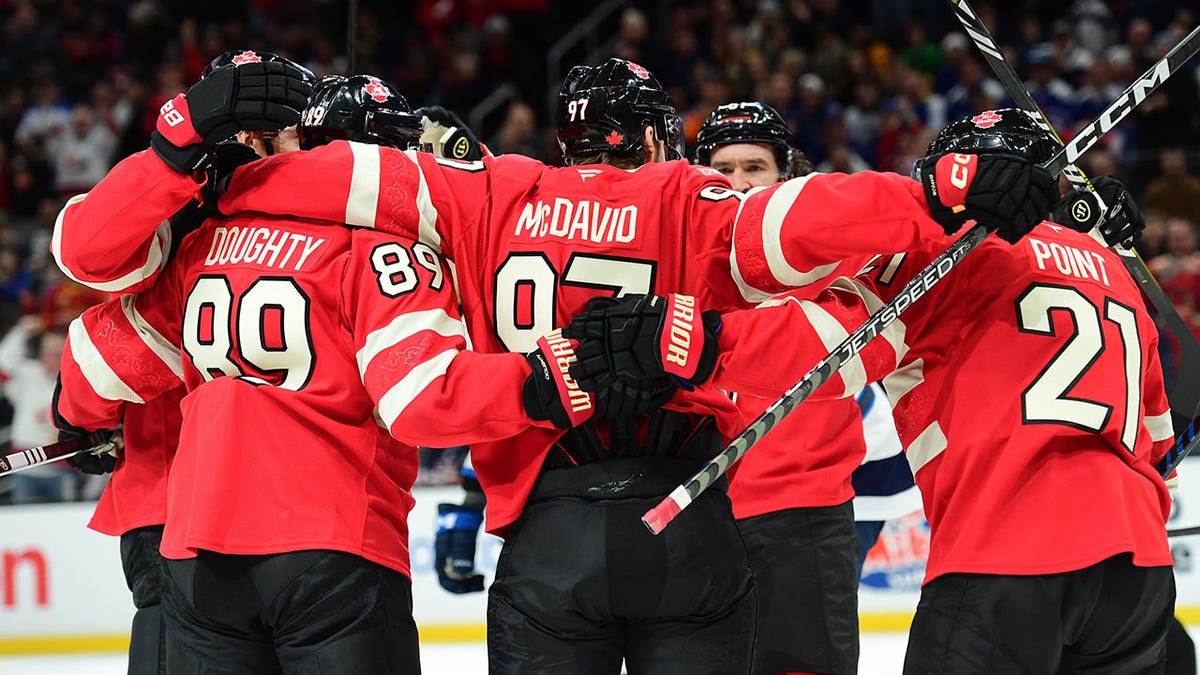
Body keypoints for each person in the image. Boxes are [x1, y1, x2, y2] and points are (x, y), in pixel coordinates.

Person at [214, 58, 1054, 673]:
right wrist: (934, 195)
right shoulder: (690, 197)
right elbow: (801, 217)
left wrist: (217, 179)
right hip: (686, 522)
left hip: (546, 533)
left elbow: (337, 179)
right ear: (655, 137)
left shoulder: (490, 192)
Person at [571, 109, 1173, 673]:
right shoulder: (1112, 269)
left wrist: (698, 344)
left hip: (1005, 557)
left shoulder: (951, 257)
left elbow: (823, 353)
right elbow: (1159, 449)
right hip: (1139, 576)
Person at [54, 72, 590, 674]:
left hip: (196, 554)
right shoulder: (383, 248)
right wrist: (553, 377)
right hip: (332, 542)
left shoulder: (206, 243)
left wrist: (78, 425)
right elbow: (422, 399)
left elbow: (95, 356)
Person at [50, 49, 315, 675]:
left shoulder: (186, 202)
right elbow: (85, 252)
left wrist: (80, 412)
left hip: (237, 512)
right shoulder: (176, 199)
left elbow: (105, 345)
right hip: (209, 515)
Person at [695, 100, 912, 674]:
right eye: (722, 169)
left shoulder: (838, 251)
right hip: (694, 513)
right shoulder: (677, 258)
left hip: (805, 518)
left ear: (785, 176)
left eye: (754, 167)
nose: (737, 183)